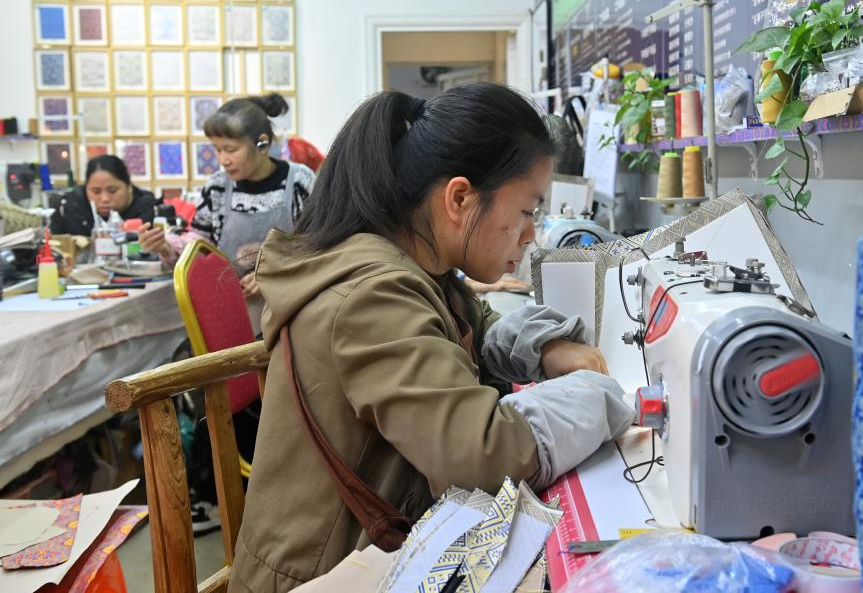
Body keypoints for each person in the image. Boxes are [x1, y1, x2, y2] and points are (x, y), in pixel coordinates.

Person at [230, 83, 634, 592]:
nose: (531, 233)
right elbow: (485, 455)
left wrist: (547, 347)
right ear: (460, 198)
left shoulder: (419, 268)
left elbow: (474, 328)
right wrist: (604, 395)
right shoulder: (372, 295)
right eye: (527, 211)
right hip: (325, 574)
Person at [138, 93, 315, 298]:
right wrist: (166, 247)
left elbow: (320, 247)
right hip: (232, 305)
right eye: (217, 149)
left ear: (262, 144)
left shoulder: (299, 181)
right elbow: (201, 245)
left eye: (230, 149)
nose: (223, 160)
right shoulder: (217, 187)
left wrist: (274, 273)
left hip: (290, 305)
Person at [49, 155, 157, 236]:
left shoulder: (150, 210)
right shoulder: (68, 208)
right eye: (96, 191)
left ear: (129, 187)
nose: (105, 199)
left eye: (113, 191)